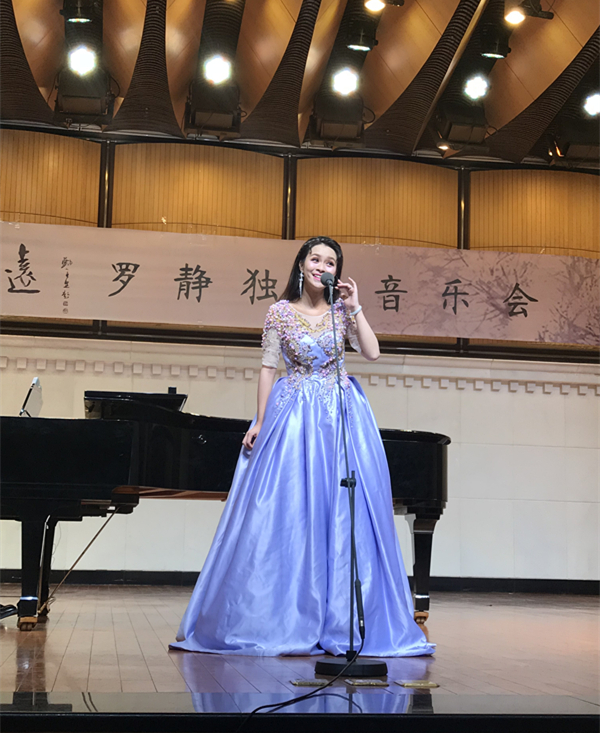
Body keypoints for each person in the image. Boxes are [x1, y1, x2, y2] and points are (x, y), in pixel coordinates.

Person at [170, 237, 434, 658]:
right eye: (315, 259)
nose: (321, 267)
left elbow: (372, 353)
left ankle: (344, 619)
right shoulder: (279, 312)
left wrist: (355, 308)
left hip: (340, 418)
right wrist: (260, 420)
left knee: (343, 509)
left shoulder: (341, 312)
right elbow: (268, 368)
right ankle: (282, 613)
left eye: (330, 262)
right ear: (301, 264)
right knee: (286, 508)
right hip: (293, 416)